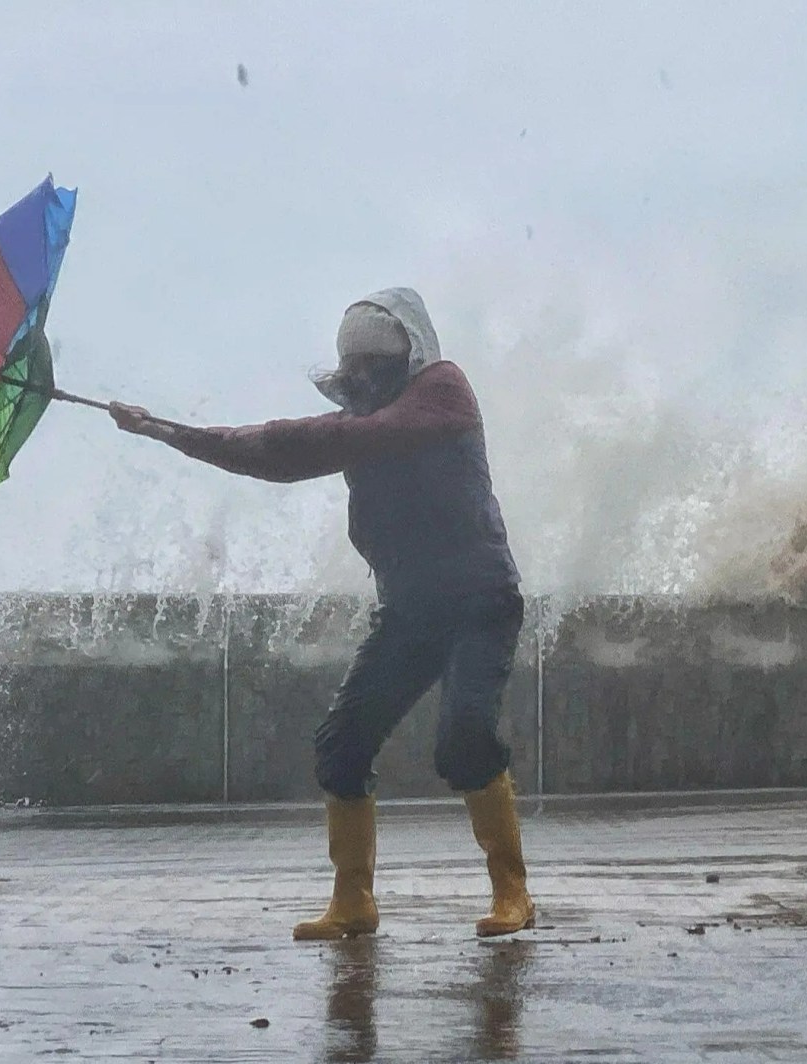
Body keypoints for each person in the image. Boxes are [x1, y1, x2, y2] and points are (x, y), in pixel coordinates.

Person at [108, 287, 533, 941]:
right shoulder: (356, 427)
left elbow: (327, 439)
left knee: (465, 737)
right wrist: (166, 430)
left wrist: (202, 433)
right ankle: (353, 901)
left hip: (479, 601)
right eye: (353, 365)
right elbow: (275, 457)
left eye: (376, 361)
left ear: (408, 354)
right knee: (342, 746)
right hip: (410, 610)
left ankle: (513, 892)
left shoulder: (442, 392)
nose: (362, 376)